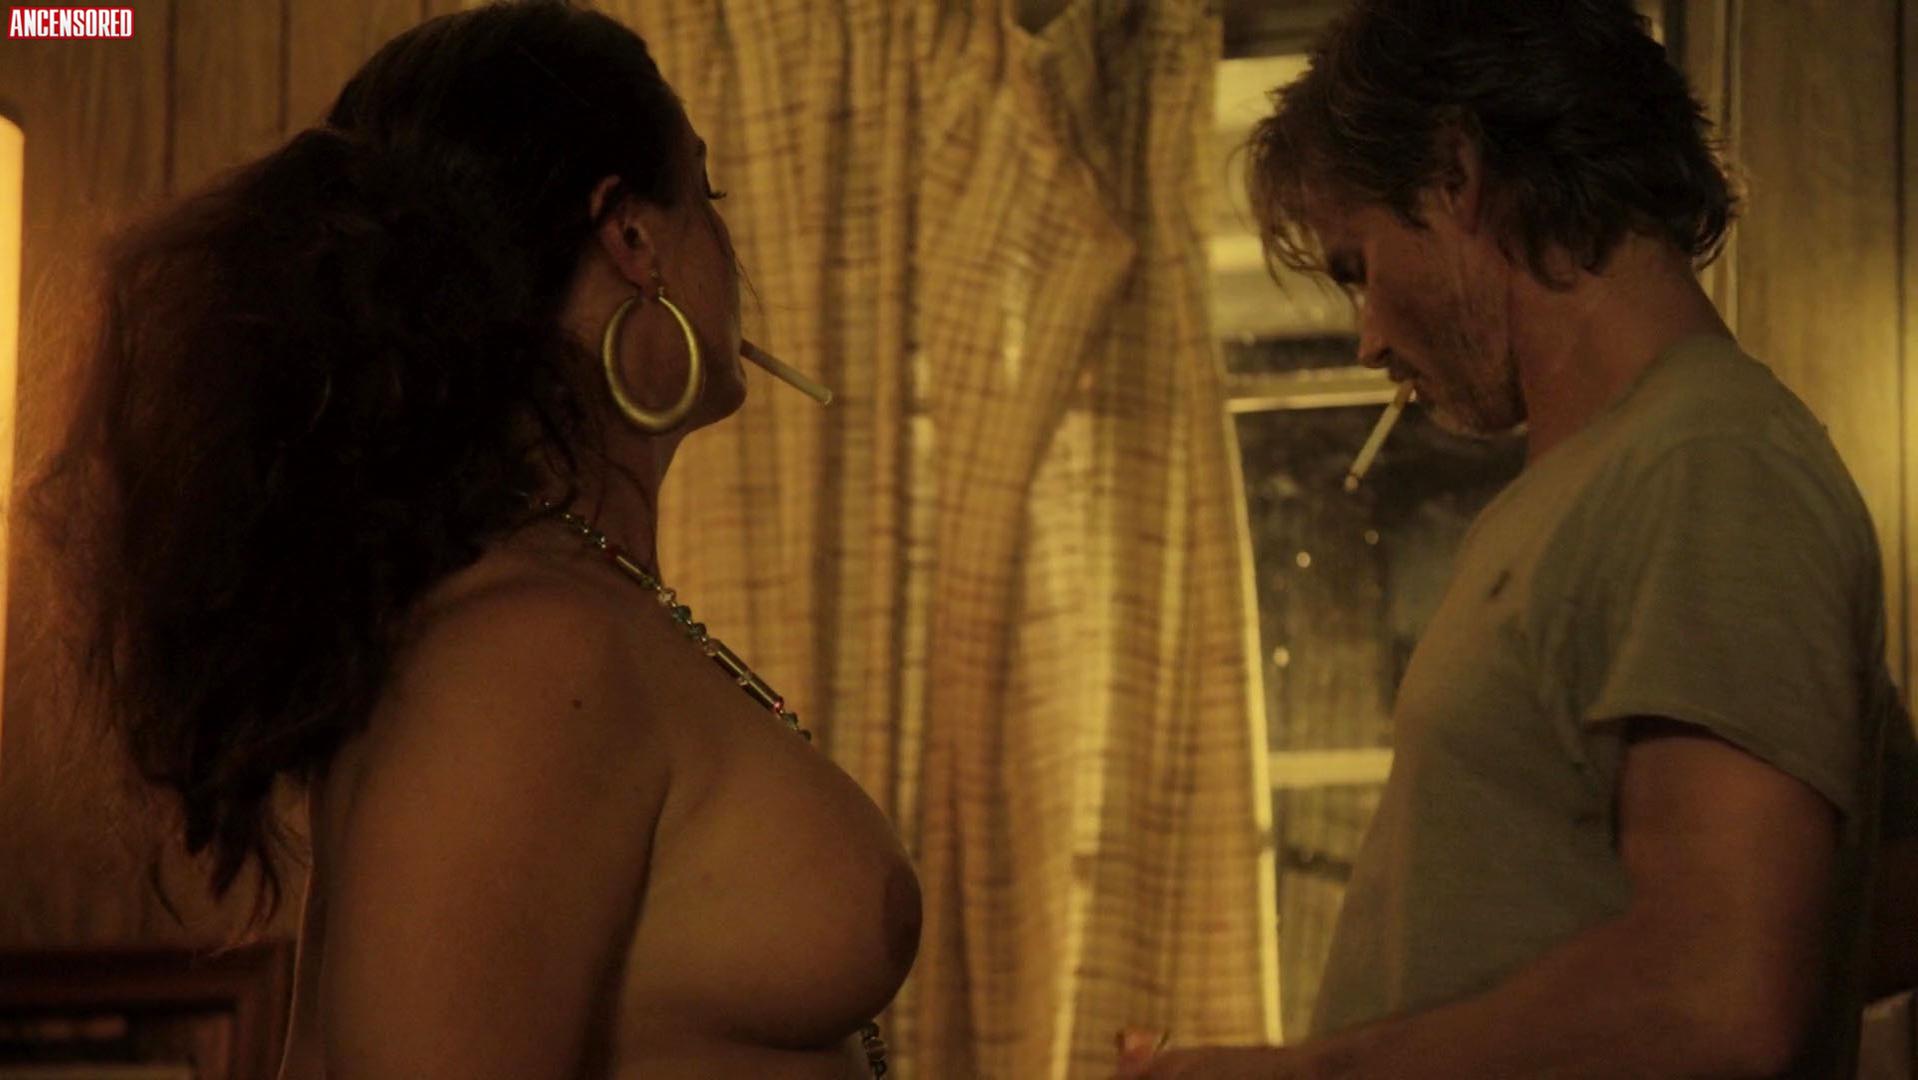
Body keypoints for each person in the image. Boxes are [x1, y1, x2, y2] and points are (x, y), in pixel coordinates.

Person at [33, 3, 919, 1077]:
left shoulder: (569, 610)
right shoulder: (525, 657)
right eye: (708, 197)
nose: (729, 248)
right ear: (632, 237)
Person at [1118, 0, 1918, 1076]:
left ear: (1455, 174)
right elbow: (1880, 894)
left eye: (1358, 266)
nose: (1367, 339)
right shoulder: (1613, 482)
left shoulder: (1705, 464)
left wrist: (1304, 1076)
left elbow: (1717, 999)